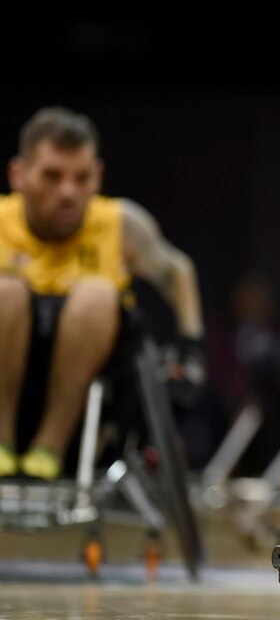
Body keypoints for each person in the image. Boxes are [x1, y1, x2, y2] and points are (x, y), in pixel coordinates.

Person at [0, 106, 206, 480]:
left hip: (88, 388)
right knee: (6, 291)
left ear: (97, 176)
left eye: (81, 178)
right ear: (19, 174)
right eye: (52, 176)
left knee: (96, 295)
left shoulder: (120, 223)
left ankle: (49, 449)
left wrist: (190, 347)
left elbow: (178, 270)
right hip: (10, 370)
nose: (68, 192)